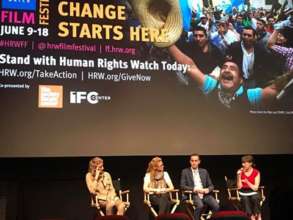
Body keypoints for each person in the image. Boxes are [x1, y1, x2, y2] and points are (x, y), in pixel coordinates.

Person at [168, 39, 293, 109]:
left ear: (240, 80)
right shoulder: (211, 85)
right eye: (224, 67)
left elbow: (274, 89)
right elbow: (190, 66)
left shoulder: (249, 95)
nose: (227, 70)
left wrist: (290, 75)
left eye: (232, 68)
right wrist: (167, 43)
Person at [180, 154, 219, 220]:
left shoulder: (204, 171)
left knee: (216, 206)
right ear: (190, 162)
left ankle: (208, 218)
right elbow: (182, 186)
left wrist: (207, 189)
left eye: (196, 161)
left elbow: (211, 185)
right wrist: (195, 189)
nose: (194, 162)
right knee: (200, 206)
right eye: (192, 161)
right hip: (193, 194)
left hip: (205, 194)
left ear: (199, 162)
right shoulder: (185, 171)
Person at [236, 155, 261, 220]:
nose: (243, 164)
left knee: (255, 198)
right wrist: (238, 175)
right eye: (242, 163)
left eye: (244, 163)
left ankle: (258, 215)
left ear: (250, 163)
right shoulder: (240, 172)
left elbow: (255, 188)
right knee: (245, 199)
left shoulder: (256, 172)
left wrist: (247, 182)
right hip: (243, 192)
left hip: (253, 191)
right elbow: (239, 187)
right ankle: (251, 216)